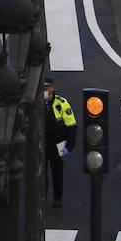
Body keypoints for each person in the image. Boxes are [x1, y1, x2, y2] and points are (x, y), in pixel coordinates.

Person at [44, 78, 77, 208]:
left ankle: (58, 198)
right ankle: (42, 198)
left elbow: (71, 125)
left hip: (58, 142)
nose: (44, 91)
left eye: (46, 88)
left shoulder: (61, 103)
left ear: (52, 89)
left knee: (57, 171)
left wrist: (69, 146)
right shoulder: (36, 103)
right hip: (41, 142)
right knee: (41, 174)